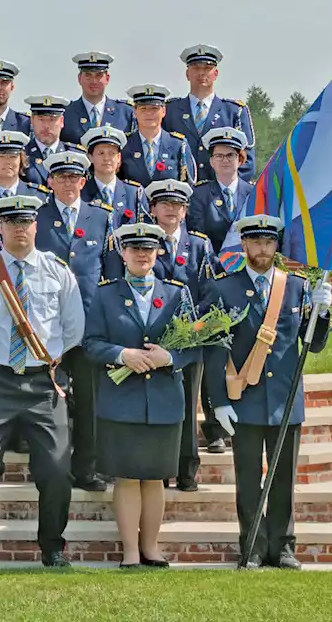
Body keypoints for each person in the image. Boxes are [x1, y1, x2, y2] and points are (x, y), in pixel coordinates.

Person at [0, 194, 84, 568]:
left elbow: (73, 329)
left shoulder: (58, 271)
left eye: (25, 222)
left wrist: (43, 360)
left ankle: (52, 548)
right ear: (1, 227)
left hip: (44, 384)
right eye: (11, 223)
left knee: (58, 469)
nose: (19, 229)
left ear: (36, 226)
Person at [203, 215, 332, 569]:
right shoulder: (222, 289)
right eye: (255, 242)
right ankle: (254, 546)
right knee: (247, 480)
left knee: (283, 480)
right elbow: (214, 353)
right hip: (243, 400)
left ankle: (284, 546)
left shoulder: (297, 288)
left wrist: (323, 312)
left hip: (285, 400)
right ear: (244, 245)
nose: (262, 249)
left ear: (277, 246)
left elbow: (314, 345)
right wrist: (220, 402)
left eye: (269, 242)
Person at [83, 222, 197, 568]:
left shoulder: (177, 293)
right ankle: (130, 551)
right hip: (122, 400)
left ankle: (151, 547)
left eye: (148, 249)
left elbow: (195, 346)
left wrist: (170, 357)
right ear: (122, 253)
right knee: (128, 476)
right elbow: (90, 344)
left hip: (163, 401)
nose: (142, 254)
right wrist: (122, 355)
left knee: (155, 476)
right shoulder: (104, 294)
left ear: (159, 251)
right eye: (134, 249)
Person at [34, 151, 117, 492]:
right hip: (47, 326)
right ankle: (50, 470)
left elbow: (110, 272)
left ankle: (86, 468)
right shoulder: (36, 217)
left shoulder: (101, 217)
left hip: (88, 325)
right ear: (50, 181)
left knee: (88, 399)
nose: (68, 183)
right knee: (46, 401)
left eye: (74, 178)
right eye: (61, 177)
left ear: (84, 181)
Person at [141, 179, 220, 488]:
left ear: (185, 211)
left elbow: (210, 291)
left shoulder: (200, 246)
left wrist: (193, 327)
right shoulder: (144, 241)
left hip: (189, 342)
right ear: (153, 209)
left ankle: (187, 469)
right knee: (158, 404)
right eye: (164, 204)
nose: (170, 210)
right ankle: (159, 467)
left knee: (188, 403)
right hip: (154, 341)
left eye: (177, 205)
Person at [164, 45, 256, 182]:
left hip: (219, 195)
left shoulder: (234, 111)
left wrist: (227, 188)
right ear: (187, 74)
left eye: (207, 68)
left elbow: (247, 161)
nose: (202, 73)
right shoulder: (170, 110)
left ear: (216, 74)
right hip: (179, 196)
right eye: (196, 68)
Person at [188, 127, 255, 254]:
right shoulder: (199, 194)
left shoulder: (253, 193)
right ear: (212, 161)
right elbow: (198, 234)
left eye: (231, 155)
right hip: (211, 264)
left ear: (240, 160)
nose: (225, 160)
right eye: (219, 156)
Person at [119, 84, 196, 187]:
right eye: (143, 109)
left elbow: (189, 187)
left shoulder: (178, 145)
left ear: (163, 111)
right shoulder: (124, 144)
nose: (149, 113)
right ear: (135, 111)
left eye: (154, 109)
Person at [60, 51, 136, 146]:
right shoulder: (66, 113)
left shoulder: (125, 113)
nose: (94, 81)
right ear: (79, 78)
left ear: (107, 78)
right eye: (88, 75)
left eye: (99, 75)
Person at [81, 125, 146, 231]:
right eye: (101, 153)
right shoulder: (81, 191)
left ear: (119, 158)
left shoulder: (134, 194)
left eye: (112, 153)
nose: (106, 158)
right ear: (90, 157)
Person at [0, 131, 44, 208]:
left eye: (13, 157)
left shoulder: (37, 195)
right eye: (1, 157)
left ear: (21, 160)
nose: (7, 162)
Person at [23, 95, 80, 188]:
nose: (46, 126)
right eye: (41, 119)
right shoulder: (21, 155)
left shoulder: (76, 155)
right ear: (32, 121)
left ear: (62, 121)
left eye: (52, 120)